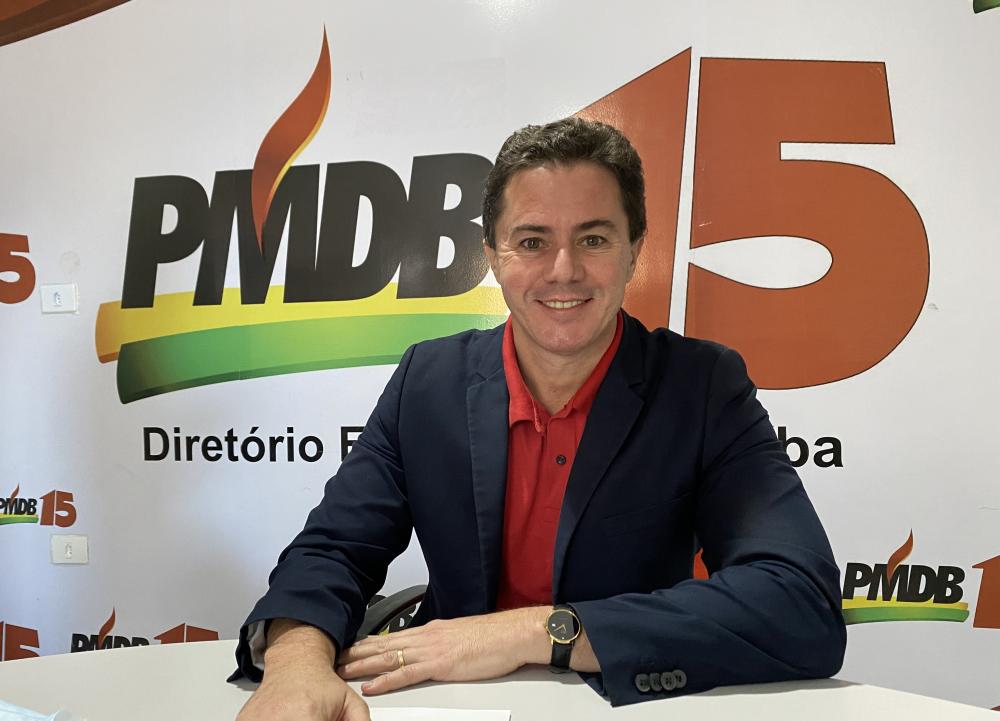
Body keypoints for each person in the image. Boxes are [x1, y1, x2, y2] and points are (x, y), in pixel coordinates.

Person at [231, 117, 846, 720]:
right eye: (531, 242)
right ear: (492, 257)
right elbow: (334, 550)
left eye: (594, 239)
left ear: (635, 250)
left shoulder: (703, 387)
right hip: (450, 704)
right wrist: (296, 666)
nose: (563, 270)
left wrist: (535, 632)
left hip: (618, 706)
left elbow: (800, 602)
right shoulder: (427, 380)